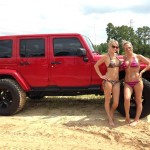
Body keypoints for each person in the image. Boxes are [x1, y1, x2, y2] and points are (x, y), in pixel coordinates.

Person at [122, 40, 150, 126]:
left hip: (137, 82)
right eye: (126, 48)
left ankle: (136, 120)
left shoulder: (138, 56)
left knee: (138, 100)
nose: (128, 49)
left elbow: (149, 63)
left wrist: (142, 72)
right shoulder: (124, 57)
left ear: (132, 47)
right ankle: (127, 116)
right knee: (127, 98)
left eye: (129, 48)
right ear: (124, 49)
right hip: (127, 82)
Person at [94, 39, 121, 126]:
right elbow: (96, 65)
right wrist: (101, 76)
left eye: (117, 47)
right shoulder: (106, 57)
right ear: (109, 47)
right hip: (108, 81)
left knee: (116, 102)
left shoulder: (117, 56)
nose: (115, 48)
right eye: (113, 46)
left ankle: (111, 113)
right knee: (107, 100)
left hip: (116, 82)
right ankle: (109, 118)